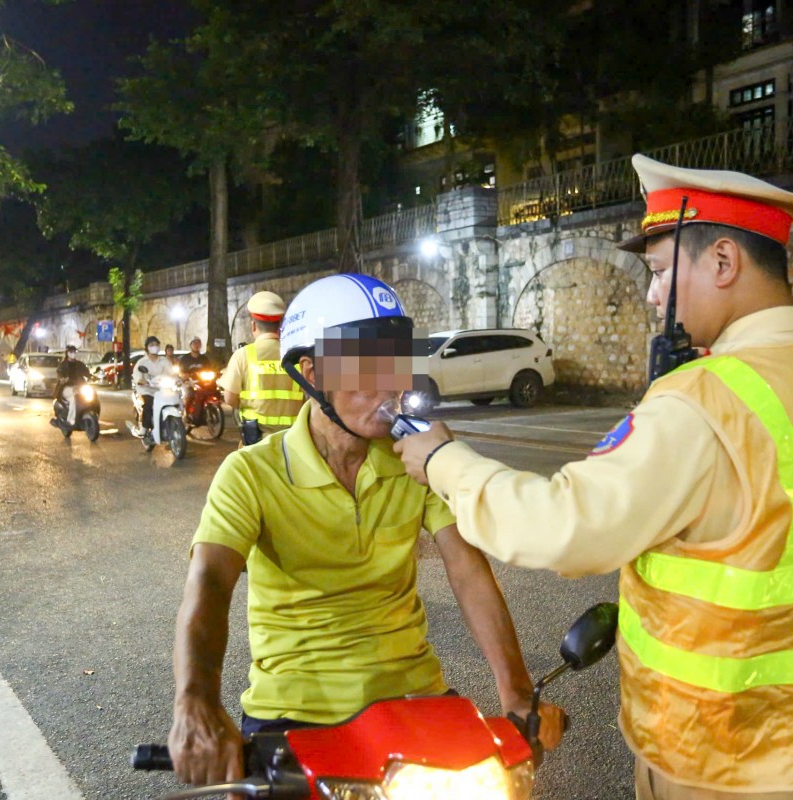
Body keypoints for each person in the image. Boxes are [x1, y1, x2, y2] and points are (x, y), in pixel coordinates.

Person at [395, 155, 793, 800]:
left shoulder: (705, 402)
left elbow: (564, 528)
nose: (652, 295)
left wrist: (444, 460)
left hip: (724, 755)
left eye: (660, 272)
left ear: (723, 262)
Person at [168, 274, 565, 787]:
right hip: (293, 711)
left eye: (396, 362)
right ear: (310, 373)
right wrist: (195, 701)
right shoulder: (250, 473)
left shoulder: (417, 461)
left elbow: (468, 569)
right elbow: (209, 586)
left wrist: (515, 690)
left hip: (414, 698)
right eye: (367, 367)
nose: (394, 385)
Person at [218, 291, 304, 446]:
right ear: (280, 326)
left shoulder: (243, 355)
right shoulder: (296, 354)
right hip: (293, 442)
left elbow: (229, 398)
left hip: (256, 442)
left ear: (253, 326)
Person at [133, 335, 175, 438]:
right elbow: (137, 375)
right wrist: (141, 381)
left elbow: (172, 372)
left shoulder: (164, 361)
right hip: (147, 390)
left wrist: (177, 379)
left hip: (162, 389)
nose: (154, 347)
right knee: (148, 405)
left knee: (174, 401)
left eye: (156, 344)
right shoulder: (142, 362)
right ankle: (143, 429)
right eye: (152, 345)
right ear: (147, 348)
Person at [52, 344, 92, 428]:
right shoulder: (63, 365)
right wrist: (62, 378)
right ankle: (70, 421)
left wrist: (91, 377)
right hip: (66, 388)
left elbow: (86, 372)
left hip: (79, 387)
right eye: (71, 352)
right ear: (67, 353)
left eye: (74, 352)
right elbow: (59, 373)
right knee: (75, 398)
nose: (73, 353)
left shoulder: (80, 364)